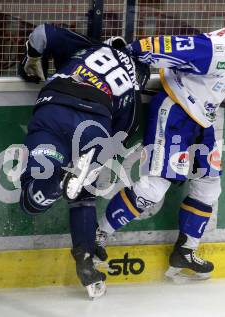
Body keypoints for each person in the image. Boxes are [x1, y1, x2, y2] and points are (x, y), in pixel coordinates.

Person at [93, 9, 225, 280]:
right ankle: (97, 235)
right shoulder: (212, 49)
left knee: (210, 186)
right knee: (153, 188)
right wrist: (122, 54)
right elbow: (155, 47)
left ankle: (186, 250)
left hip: (202, 120)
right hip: (174, 112)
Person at [17, 23, 149, 299]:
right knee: (84, 195)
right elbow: (123, 134)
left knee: (31, 201)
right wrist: (99, 160)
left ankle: (51, 185)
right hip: (94, 124)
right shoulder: (133, 89)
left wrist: (31, 59)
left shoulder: (89, 47)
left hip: (54, 107)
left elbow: (42, 33)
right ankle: (86, 261)